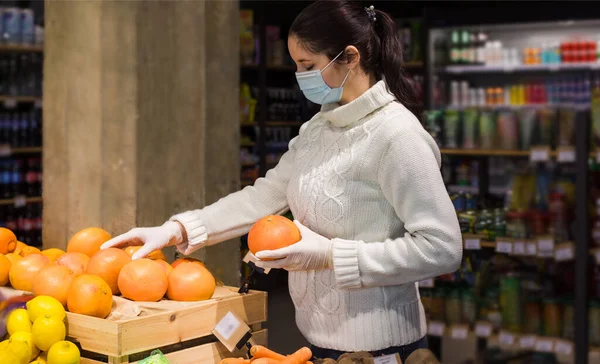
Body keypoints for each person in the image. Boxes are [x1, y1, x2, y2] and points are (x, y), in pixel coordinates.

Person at [101, 0, 462, 361]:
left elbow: (442, 247)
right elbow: (266, 196)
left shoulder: (396, 136)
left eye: (308, 65)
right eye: (295, 65)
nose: (299, 75)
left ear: (350, 57)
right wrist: (178, 229)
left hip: (383, 348)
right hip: (314, 342)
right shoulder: (319, 127)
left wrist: (331, 256)